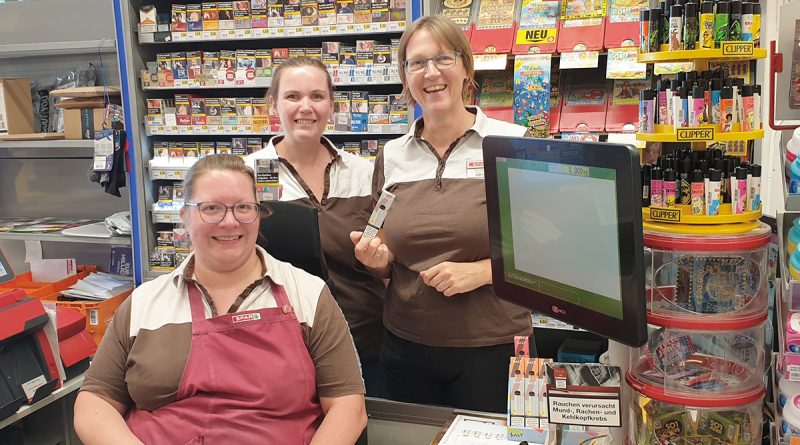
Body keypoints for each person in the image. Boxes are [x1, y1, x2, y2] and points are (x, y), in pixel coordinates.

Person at [74, 154, 367, 444]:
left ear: (259, 214)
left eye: (243, 207)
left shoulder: (308, 294)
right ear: (185, 217)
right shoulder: (143, 304)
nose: (229, 222)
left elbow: (348, 408)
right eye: (211, 208)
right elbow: (94, 404)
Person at [351, 15, 533, 413]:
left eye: (443, 59)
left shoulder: (512, 144)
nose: (430, 72)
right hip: (405, 347)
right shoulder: (391, 155)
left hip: (492, 346)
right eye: (417, 62)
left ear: (466, 66)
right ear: (405, 75)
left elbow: (552, 244)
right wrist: (376, 261)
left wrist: (483, 271)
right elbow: (382, 241)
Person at [245, 57, 386, 396]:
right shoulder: (246, 174)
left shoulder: (363, 172)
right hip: (284, 344)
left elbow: (387, 251)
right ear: (273, 104)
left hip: (367, 339)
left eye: (317, 96)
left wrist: (383, 260)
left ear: (331, 105)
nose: (305, 107)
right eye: (292, 96)